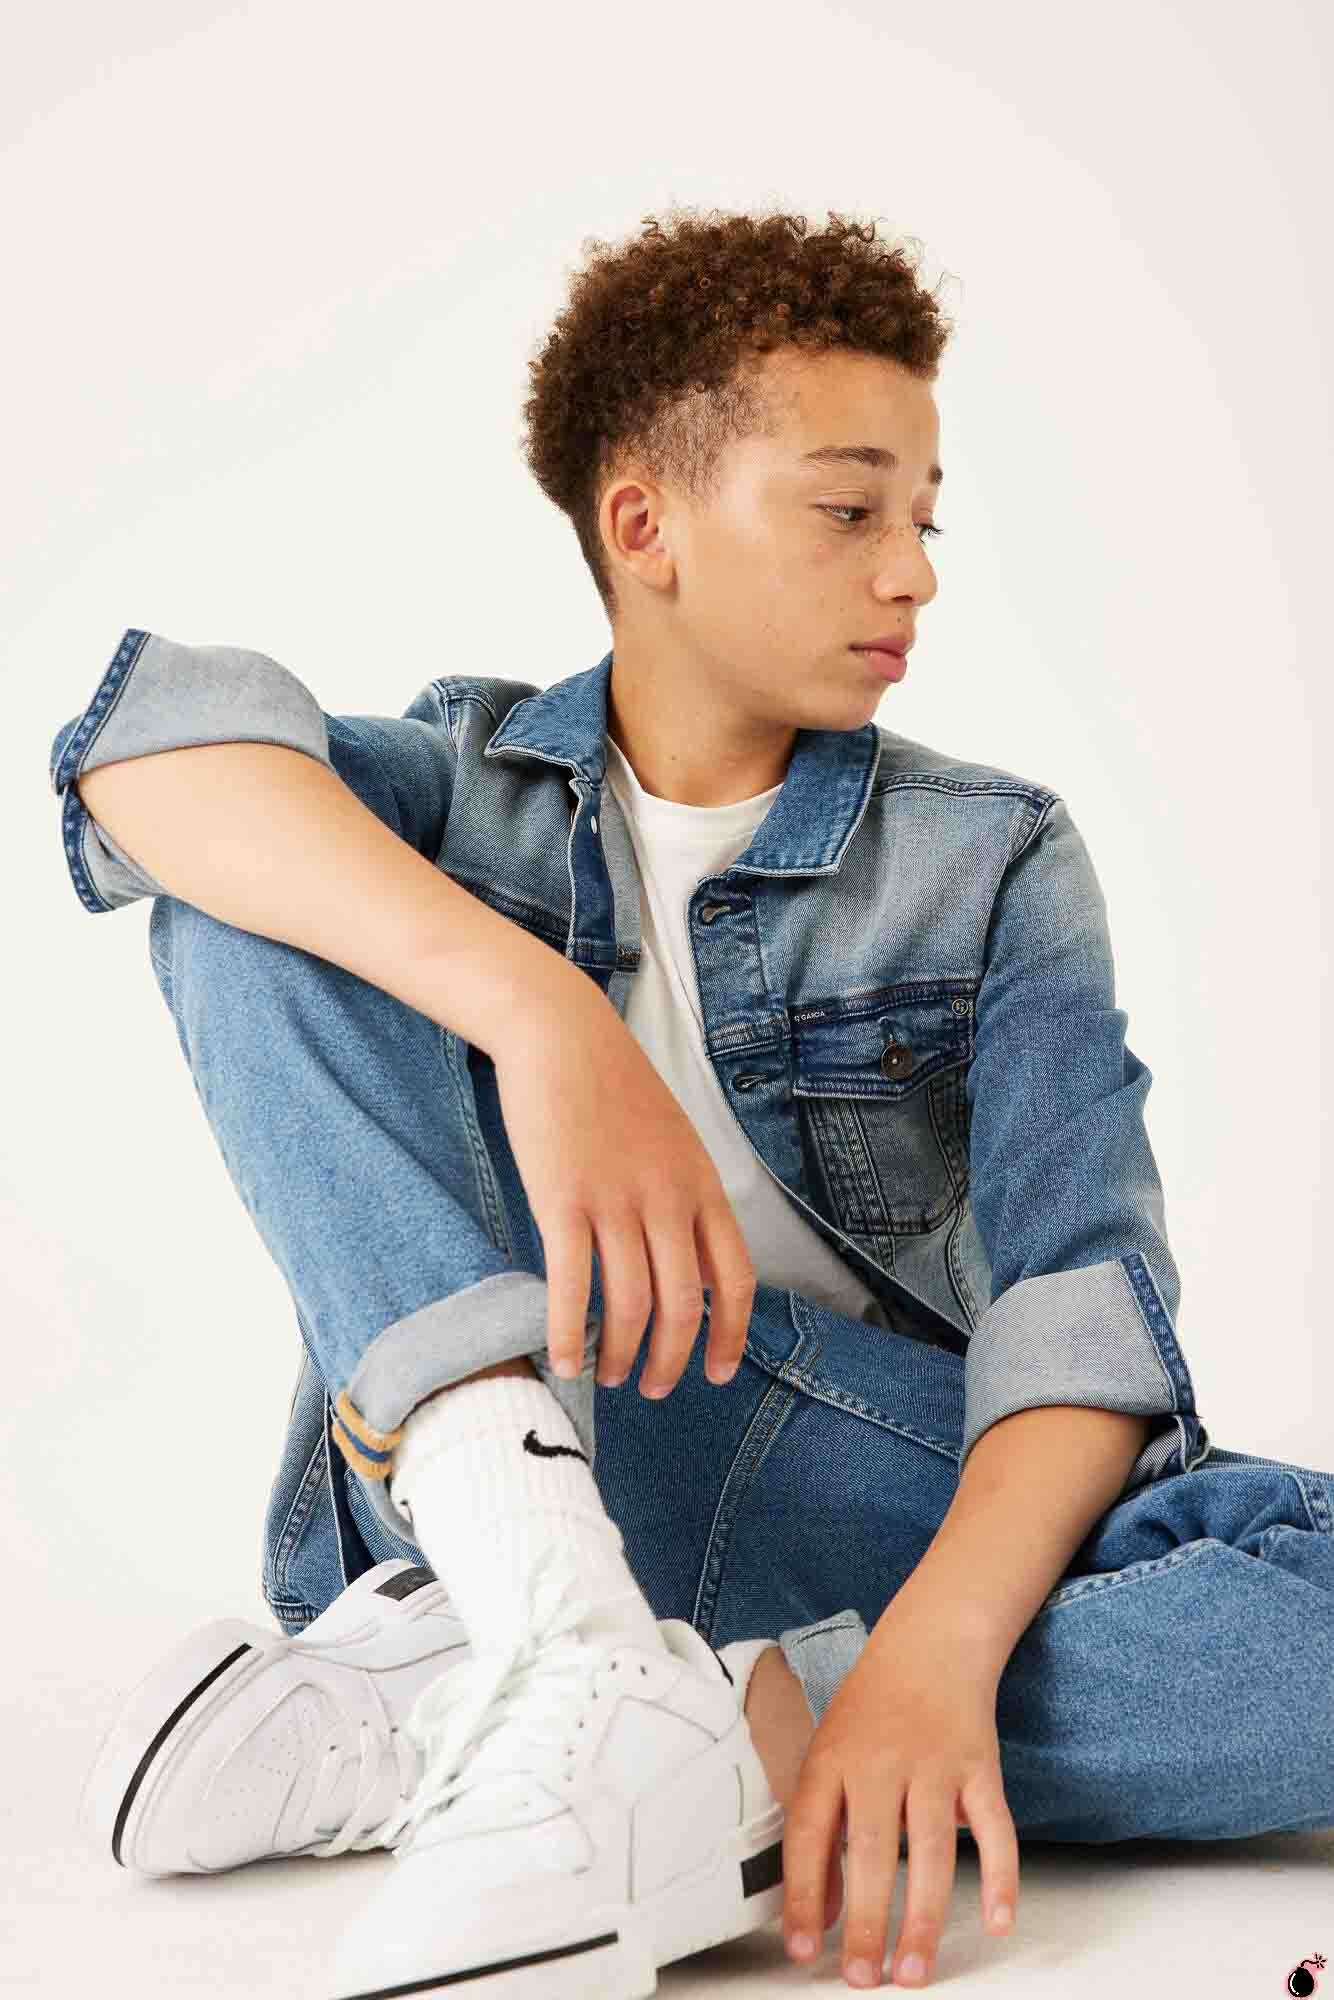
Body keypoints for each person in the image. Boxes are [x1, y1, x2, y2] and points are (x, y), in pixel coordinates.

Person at [51, 205, 1334, 1998]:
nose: (912, 575)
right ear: (642, 525)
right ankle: (550, 1616)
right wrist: (544, 1016)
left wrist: (923, 1662)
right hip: (486, 1462)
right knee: (241, 889)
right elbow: (143, 756)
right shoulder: (458, 789)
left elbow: (1077, 1313)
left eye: (925, 519)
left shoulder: (986, 855)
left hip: (848, 1487)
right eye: (847, 511)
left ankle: (566, 1722)